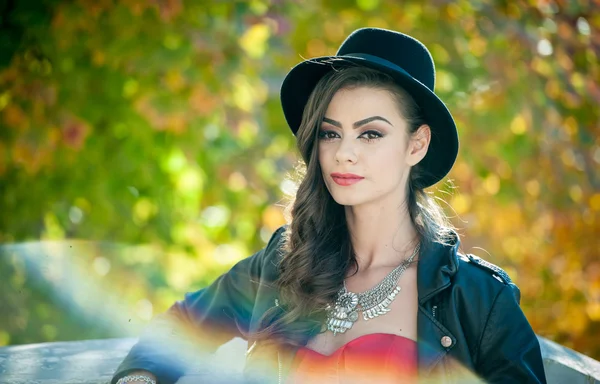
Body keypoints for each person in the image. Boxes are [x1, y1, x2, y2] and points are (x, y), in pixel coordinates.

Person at [111, 28, 547, 384]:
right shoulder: (285, 263)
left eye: (370, 134)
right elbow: (183, 325)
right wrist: (139, 379)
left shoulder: (477, 299)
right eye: (329, 133)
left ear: (417, 143)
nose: (344, 154)